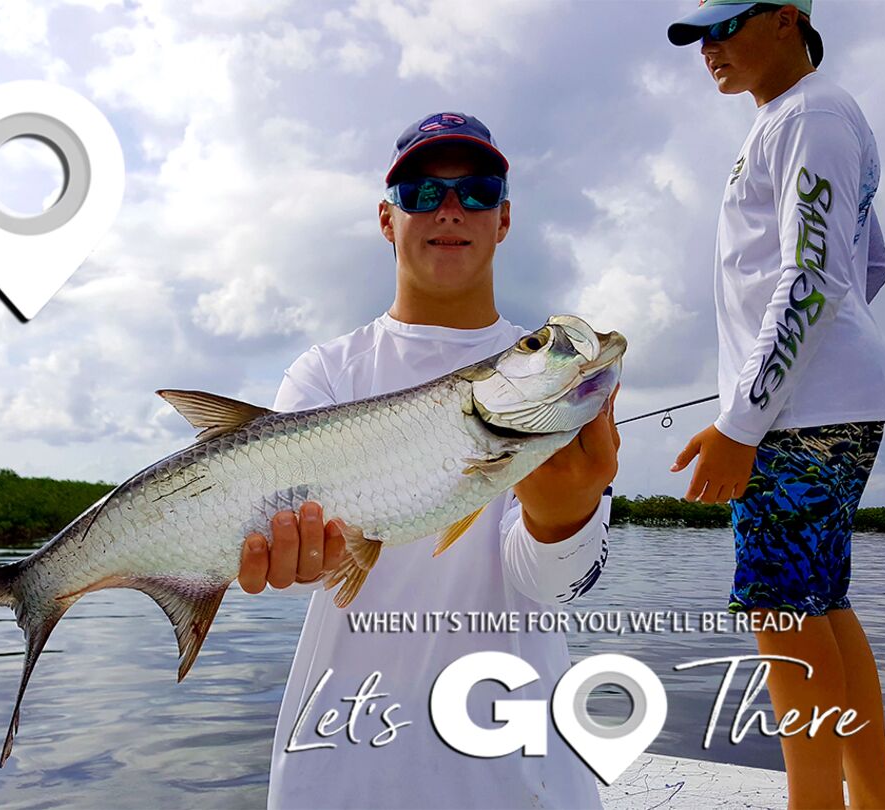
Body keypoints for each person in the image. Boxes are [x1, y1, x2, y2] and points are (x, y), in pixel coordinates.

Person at [236, 112, 620, 809]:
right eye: (422, 193)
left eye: (476, 192)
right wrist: (294, 558)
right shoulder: (326, 372)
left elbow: (552, 584)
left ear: (504, 220)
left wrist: (566, 515)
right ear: (387, 219)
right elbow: (298, 556)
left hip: (516, 768)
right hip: (342, 758)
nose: (450, 210)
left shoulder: (554, 390)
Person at [666, 3, 885, 807]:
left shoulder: (810, 112)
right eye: (701, 35)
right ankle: (872, 801)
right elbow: (869, 265)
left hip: (799, 417)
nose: (710, 48)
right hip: (817, 400)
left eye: (726, 25)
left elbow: (814, 277)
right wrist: (822, 356)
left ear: (787, 19)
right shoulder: (800, 117)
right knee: (819, 604)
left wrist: (740, 422)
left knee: (783, 613)